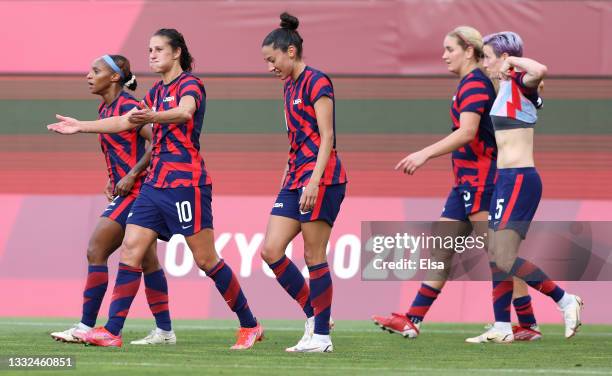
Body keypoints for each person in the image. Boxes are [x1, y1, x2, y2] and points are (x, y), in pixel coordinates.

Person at [48, 29, 263, 349]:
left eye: (159, 49)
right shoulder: (154, 93)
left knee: (206, 260)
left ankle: (249, 324)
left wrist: (153, 116)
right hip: (153, 185)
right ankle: (112, 330)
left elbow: (185, 112)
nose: (151, 55)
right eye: (149, 49)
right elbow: (123, 123)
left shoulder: (190, 84)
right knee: (132, 249)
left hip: (186, 184)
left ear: (176, 53)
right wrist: (81, 126)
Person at [372, 26, 540, 341]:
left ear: (468, 50)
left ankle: (528, 322)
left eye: (450, 49)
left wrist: (423, 154)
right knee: (442, 250)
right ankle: (413, 319)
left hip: (483, 181)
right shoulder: (469, 83)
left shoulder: (476, 83)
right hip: (464, 183)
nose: (444, 55)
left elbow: (467, 132)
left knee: (499, 256)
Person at [465, 31, 583, 343]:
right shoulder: (505, 86)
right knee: (497, 255)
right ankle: (503, 327)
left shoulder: (520, 82)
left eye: (489, 56)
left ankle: (563, 299)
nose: (485, 63)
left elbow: (540, 70)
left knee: (503, 256)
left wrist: (510, 62)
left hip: (520, 178)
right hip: (504, 179)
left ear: (504, 58)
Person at [50, 54, 176, 345]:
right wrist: (114, 176)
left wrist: (131, 174)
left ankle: (85, 325)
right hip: (129, 189)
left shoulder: (130, 106)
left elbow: (159, 142)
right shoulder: (106, 107)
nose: (88, 75)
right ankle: (165, 331)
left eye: (95, 70)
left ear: (115, 77)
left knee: (96, 249)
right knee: (148, 261)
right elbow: (121, 148)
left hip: (141, 191)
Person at [260, 12, 347, 353]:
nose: (270, 67)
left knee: (314, 254)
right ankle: (315, 317)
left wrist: (312, 182)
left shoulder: (317, 81)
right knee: (270, 251)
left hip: (322, 179)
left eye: (272, 59)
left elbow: (328, 138)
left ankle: (322, 337)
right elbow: (296, 139)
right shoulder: (288, 87)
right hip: (294, 177)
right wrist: (287, 177)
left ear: (290, 52)